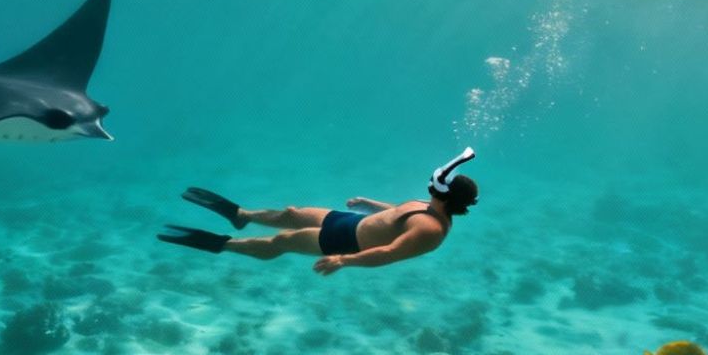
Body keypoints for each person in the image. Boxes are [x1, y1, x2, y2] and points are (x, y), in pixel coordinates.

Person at [158, 149, 477, 275]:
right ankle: (242, 215)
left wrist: (344, 260)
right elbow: (397, 212)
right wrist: (369, 204)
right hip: (352, 221)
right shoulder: (428, 205)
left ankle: (222, 243)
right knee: (290, 214)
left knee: (283, 240)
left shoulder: (431, 231)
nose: (433, 183)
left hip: (348, 242)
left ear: (446, 197)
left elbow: (389, 253)